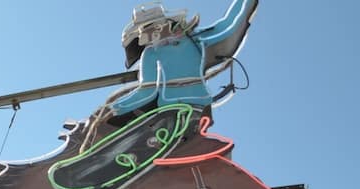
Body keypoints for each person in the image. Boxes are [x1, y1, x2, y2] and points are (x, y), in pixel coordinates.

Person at [108, 0, 257, 117]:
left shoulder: (155, 52)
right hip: (199, 106)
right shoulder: (193, 41)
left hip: (172, 112)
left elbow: (147, 92)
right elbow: (229, 27)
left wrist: (114, 109)